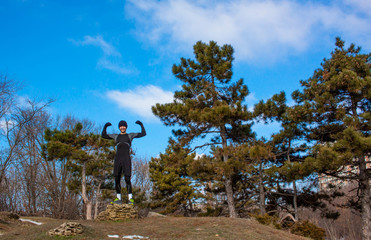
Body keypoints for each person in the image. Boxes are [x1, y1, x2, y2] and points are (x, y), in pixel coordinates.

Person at [102, 120, 146, 205]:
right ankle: (118, 198)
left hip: (126, 158)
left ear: (126, 127)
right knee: (117, 178)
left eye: (124, 126)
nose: (122, 127)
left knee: (127, 178)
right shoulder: (116, 136)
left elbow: (143, 133)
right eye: (121, 126)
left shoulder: (130, 135)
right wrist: (105, 126)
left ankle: (130, 199)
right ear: (119, 127)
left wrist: (141, 124)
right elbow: (103, 135)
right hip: (118, 159)